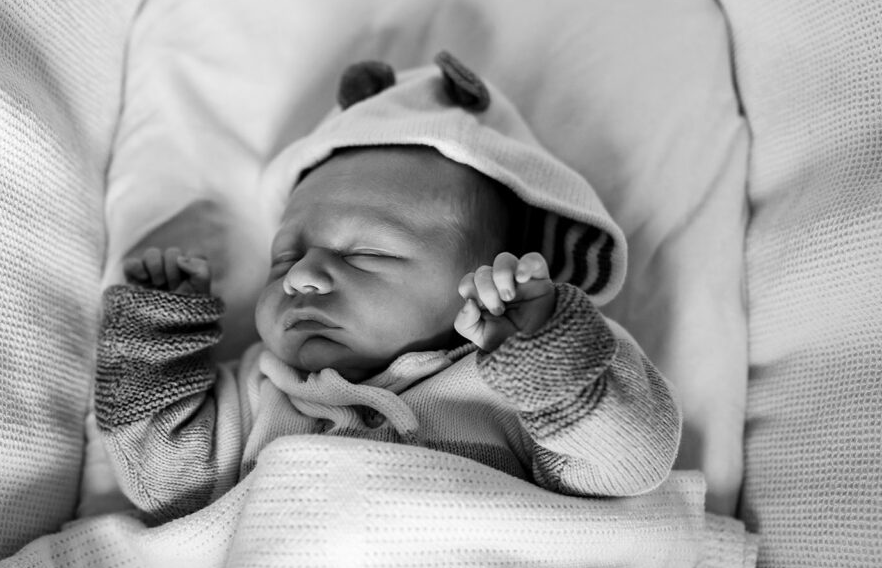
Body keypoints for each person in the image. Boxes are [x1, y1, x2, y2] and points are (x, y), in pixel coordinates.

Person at [94, 52, 681, 522]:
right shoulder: (261, 391)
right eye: (285, 257)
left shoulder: (518, 388)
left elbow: (631, 465)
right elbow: (163, 485)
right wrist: (155, 338)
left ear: (483, 280)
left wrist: (550, 358)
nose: (300, 276)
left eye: (366, 253)